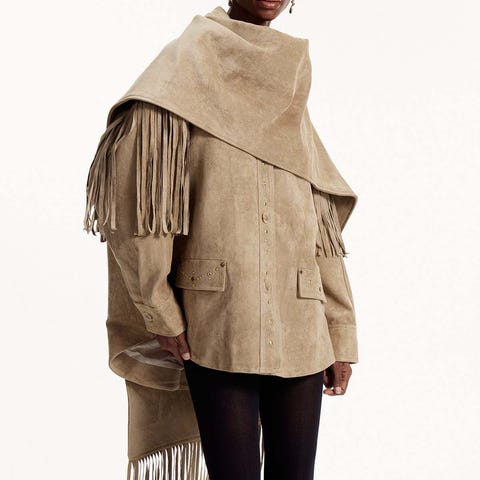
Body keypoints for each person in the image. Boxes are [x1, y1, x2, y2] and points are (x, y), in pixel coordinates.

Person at [83, 2, 359, 479]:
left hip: (301, 324)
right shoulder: (184, 66)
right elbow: (142, 203)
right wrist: (159, 309)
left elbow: (317, 219)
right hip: (218, 322)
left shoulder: (290, 76)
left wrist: (339, 330)